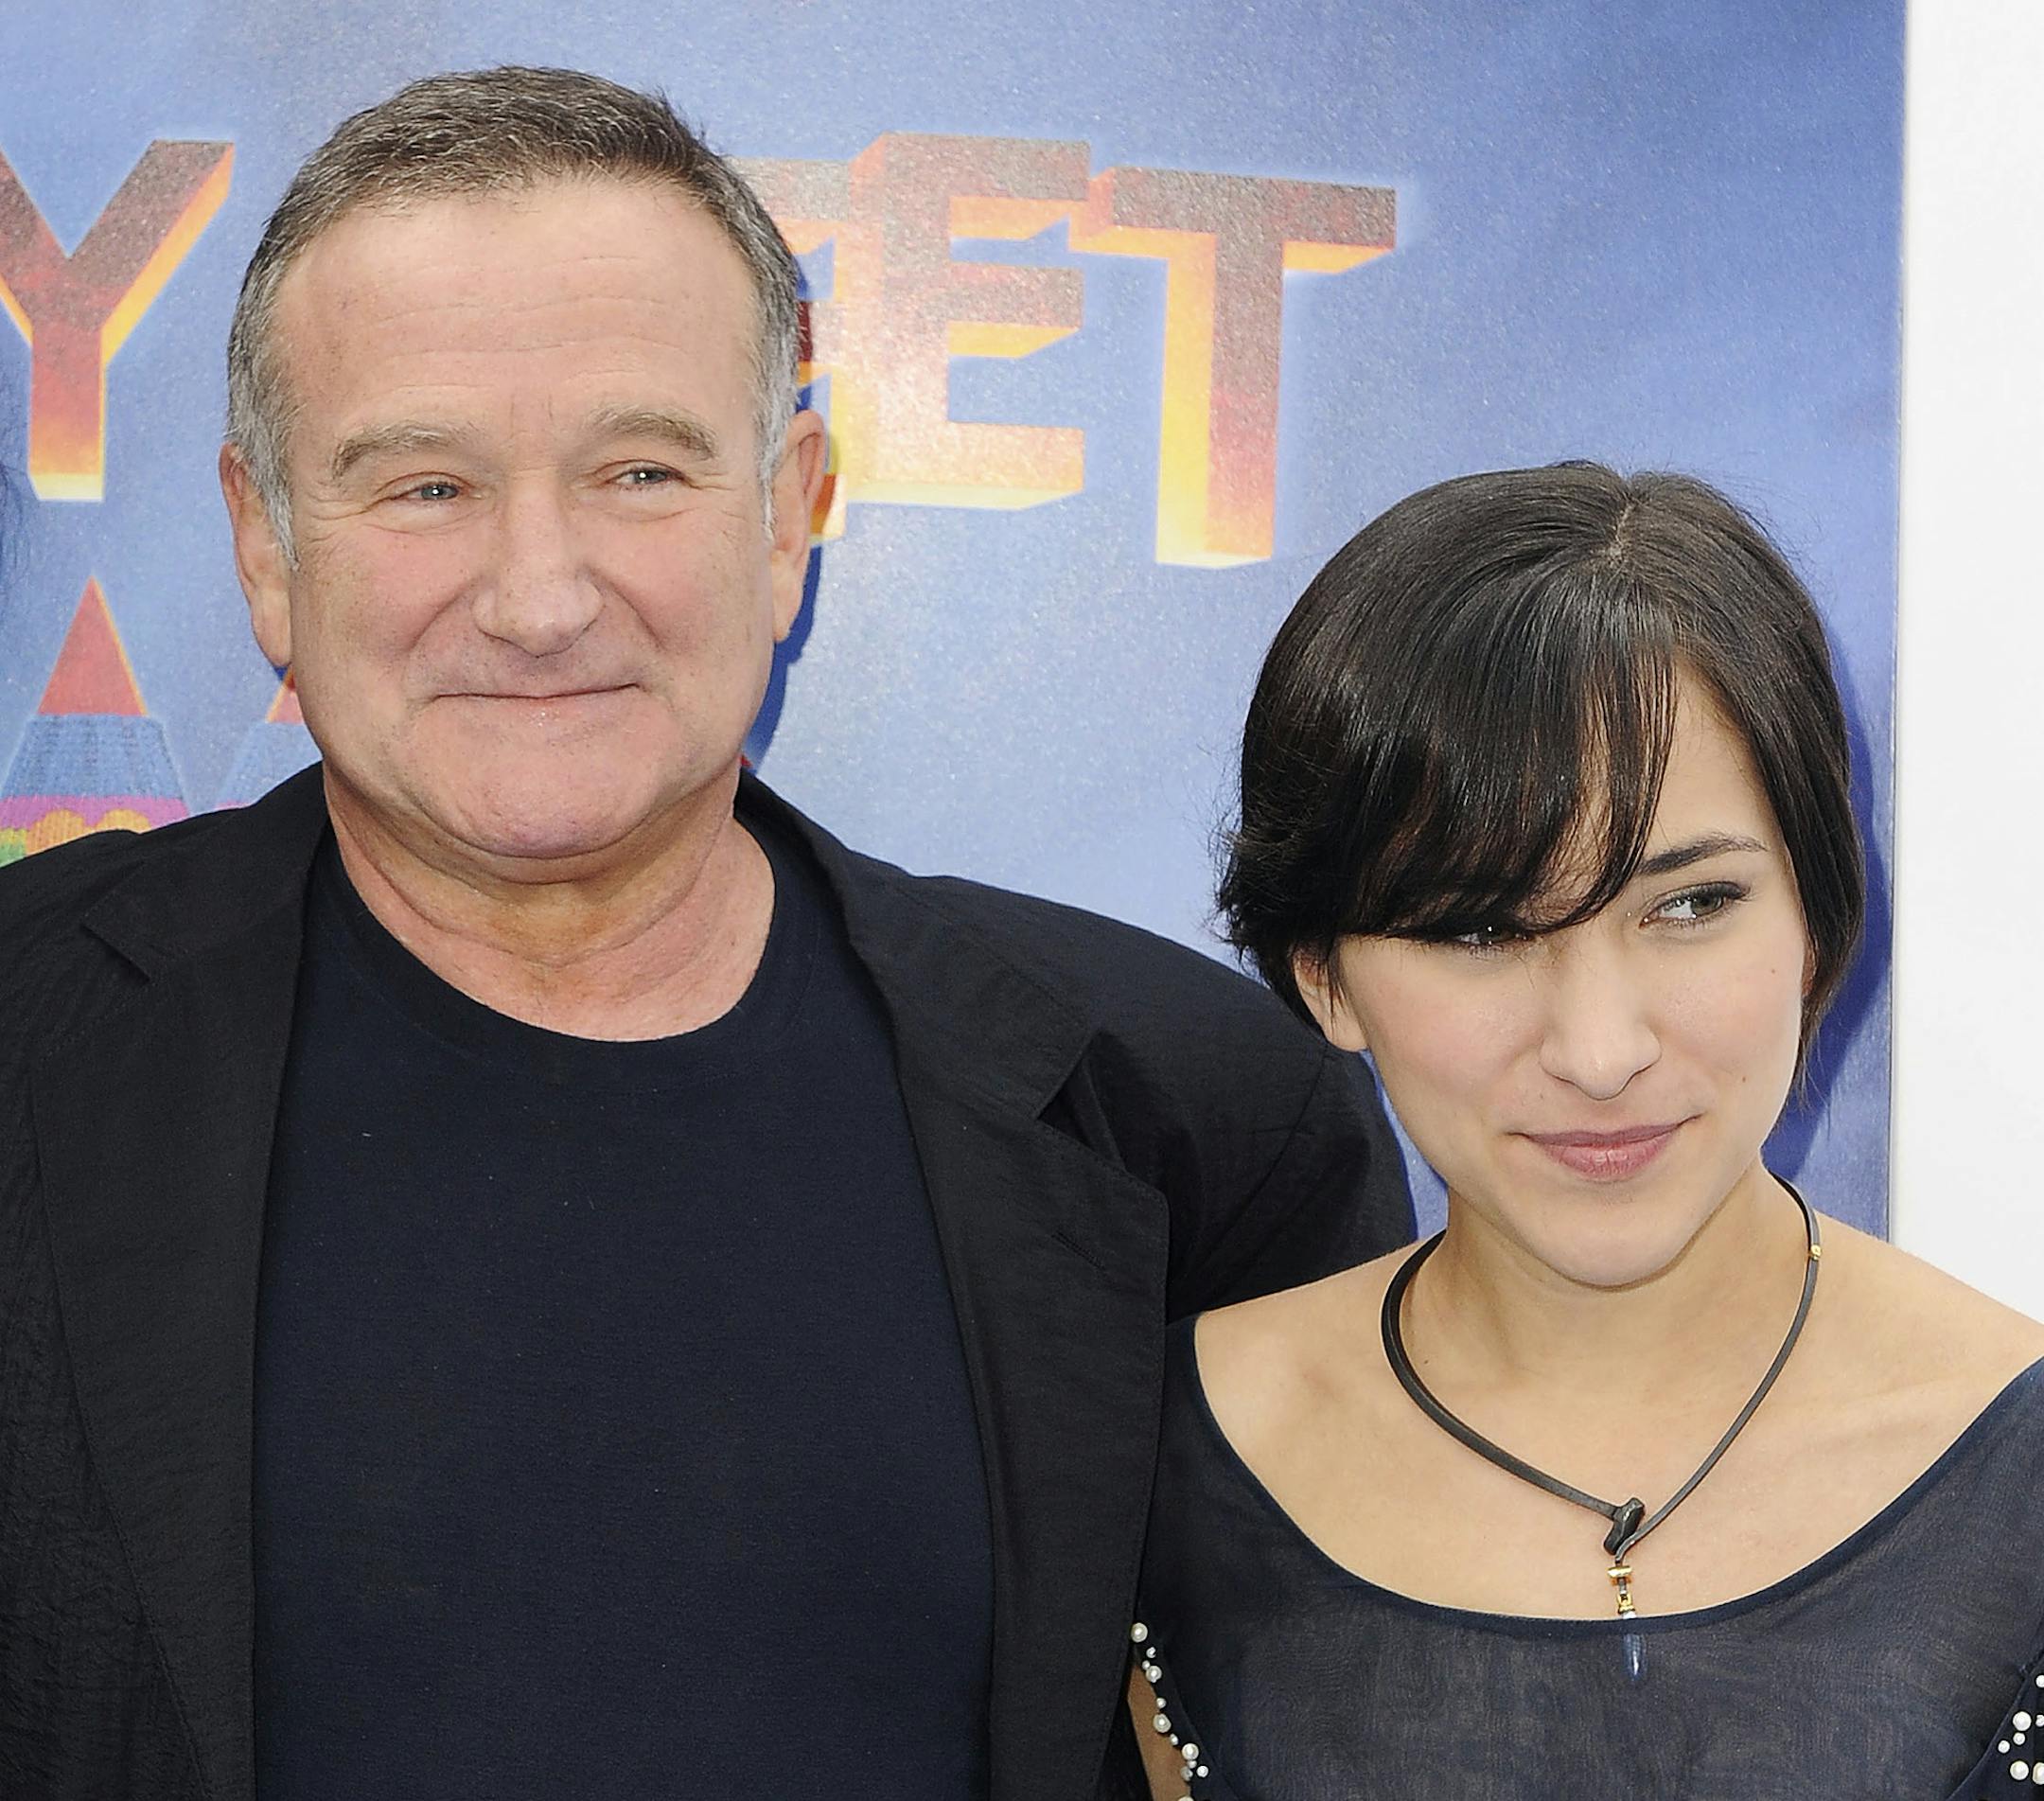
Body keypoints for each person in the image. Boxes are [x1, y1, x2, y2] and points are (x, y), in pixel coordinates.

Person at [0, 67, 1413, 1801]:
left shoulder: (1186, 1114)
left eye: (641, 469)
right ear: (264, 543)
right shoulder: (26, 1040)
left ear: (787, 510)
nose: (537, 597)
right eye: (425, 486)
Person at [1126, 465, 2044, 1800]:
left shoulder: (2014, 1469)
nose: (1601, 1052)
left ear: (1819, 921)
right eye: (1480, 929)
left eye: (1689, 907)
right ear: (1324, 974)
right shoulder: (1150, 1461)